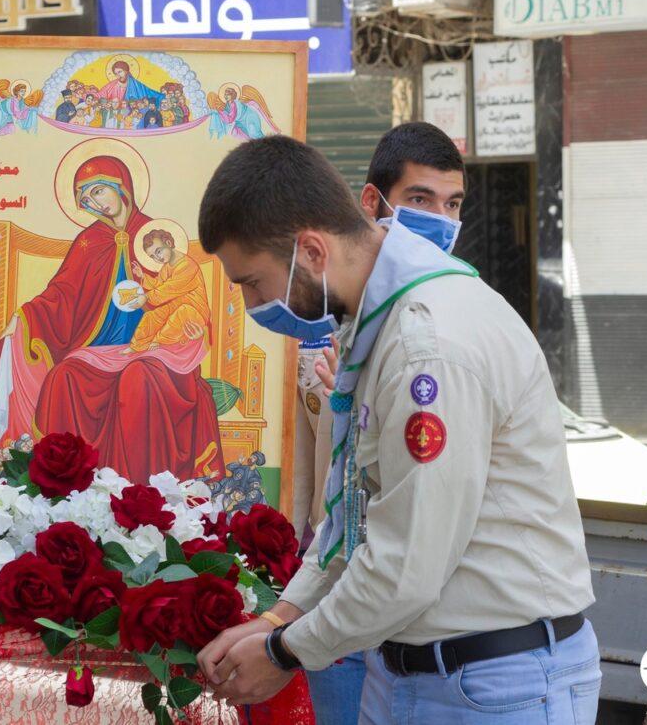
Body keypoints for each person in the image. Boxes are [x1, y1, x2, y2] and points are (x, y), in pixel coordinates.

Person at [195, 136, 598, 724]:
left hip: (491, 685)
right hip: (421, 671)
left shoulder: (423, 345)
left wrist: (284, 652)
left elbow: (407, 563)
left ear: (312, 250)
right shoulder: (377, 318)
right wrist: (279, 618)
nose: (253, 303)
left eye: (253, 282)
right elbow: (354, 513)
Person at [293, 121, 469, 724]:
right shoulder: (327, 317)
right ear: (373, 203)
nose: (441, 220)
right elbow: (311, 470)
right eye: (420, 199)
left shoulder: (458, 314)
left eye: (453, 204)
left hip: (424, 609)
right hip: (338, 581)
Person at [0, 154, 221, 484]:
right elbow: (61, 294)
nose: (95, 203)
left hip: (159, 348)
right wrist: (24, 317)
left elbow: (190, 292)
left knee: (137, 379)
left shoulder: (155, 239)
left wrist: (195, 328)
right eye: (86, 200)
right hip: (104, 349)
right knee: (64, 377)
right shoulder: (89, 242)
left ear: (121, 186)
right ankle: (70, 487)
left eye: (98, 191)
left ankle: (139, 490)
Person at [126, 229, 210, 354]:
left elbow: (168, 289)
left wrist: (147, 297)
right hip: (177, 304)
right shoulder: (167, 267)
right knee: (151, 316)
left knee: (180, 314)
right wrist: (142, 276)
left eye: (158, 251)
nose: (157, 258)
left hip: (195, 310)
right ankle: (137, 345)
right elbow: (159, 284)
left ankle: (159, 341)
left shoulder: (188, 266)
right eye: (153, 256)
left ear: (169, 243)